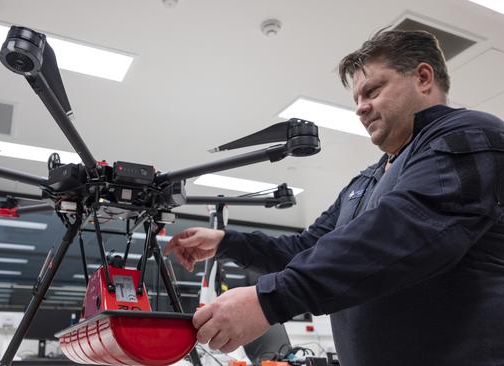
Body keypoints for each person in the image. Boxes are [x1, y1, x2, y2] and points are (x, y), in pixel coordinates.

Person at [164, 29, 504, 365]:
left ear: (424, 77)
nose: (360, 108)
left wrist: (269, 301)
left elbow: (403, 231)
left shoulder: (470, 135)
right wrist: (225, 241)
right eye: (356, 99)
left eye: (372, 91)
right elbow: (303, 250)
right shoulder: (367, 179)